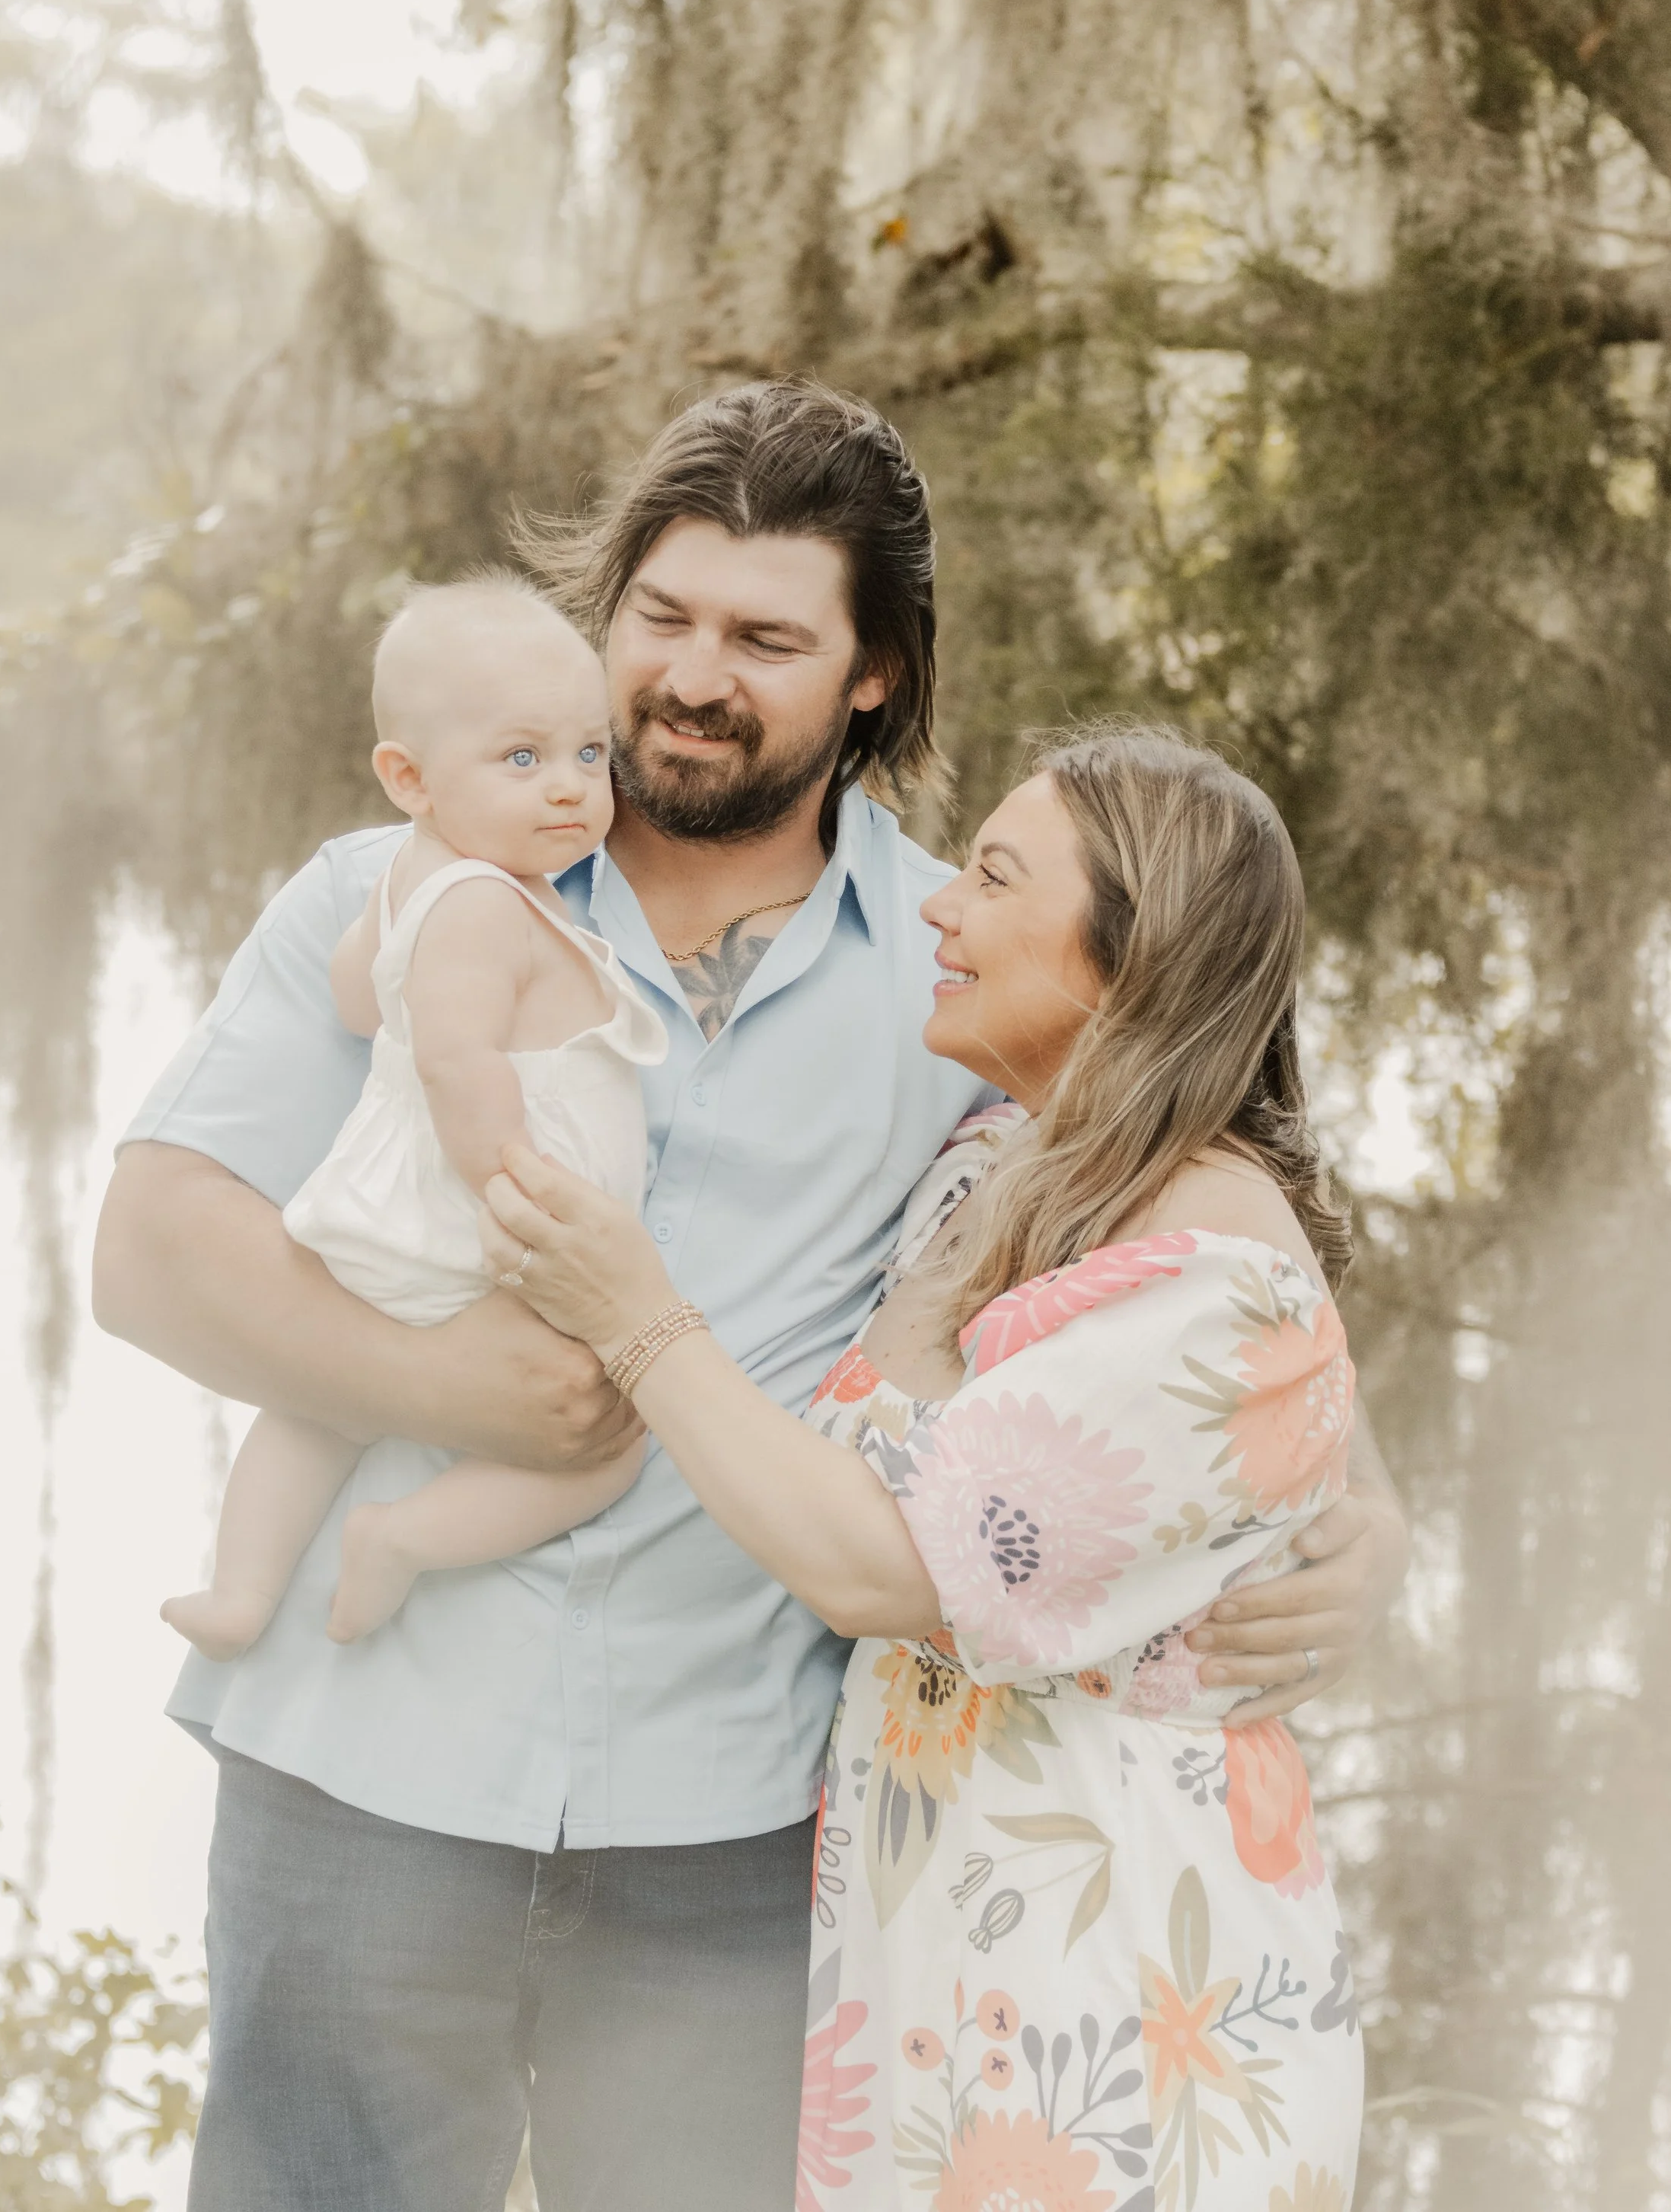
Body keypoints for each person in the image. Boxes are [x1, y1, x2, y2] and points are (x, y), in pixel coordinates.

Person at [94, 381, 1403, 2212]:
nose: (693, 679)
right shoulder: (406, 899)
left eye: (768, 640)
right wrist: (458, 1388)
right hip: (358, 1775)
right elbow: (150, 1252)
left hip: (731, 1841)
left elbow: (1190, 1228)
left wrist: (1362, 1507)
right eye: (663, 618)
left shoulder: (970, 972)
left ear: (871, 676)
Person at [482, 727, 1366, 2210]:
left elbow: (886, 1569)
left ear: (1131, 954)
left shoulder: (1216, 1279)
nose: (938, 906)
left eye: (997, 876)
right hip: (937, 2013)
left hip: (1113, 2037)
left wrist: (637, 1320)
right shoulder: (998, 1169)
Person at [161, 580, 664, 1660]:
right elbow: (456, 1060)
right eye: (522, 760)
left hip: (375, 1213)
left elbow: (360, 998)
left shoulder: (407, 878)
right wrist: (512, 1198)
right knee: (610, 1439)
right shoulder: (490, 904)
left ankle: (241, 1588)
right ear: (410, 777)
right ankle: (405, 1539)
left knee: (315, 1407)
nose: (571, 788)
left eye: (589, 753)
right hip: (479, 1224)